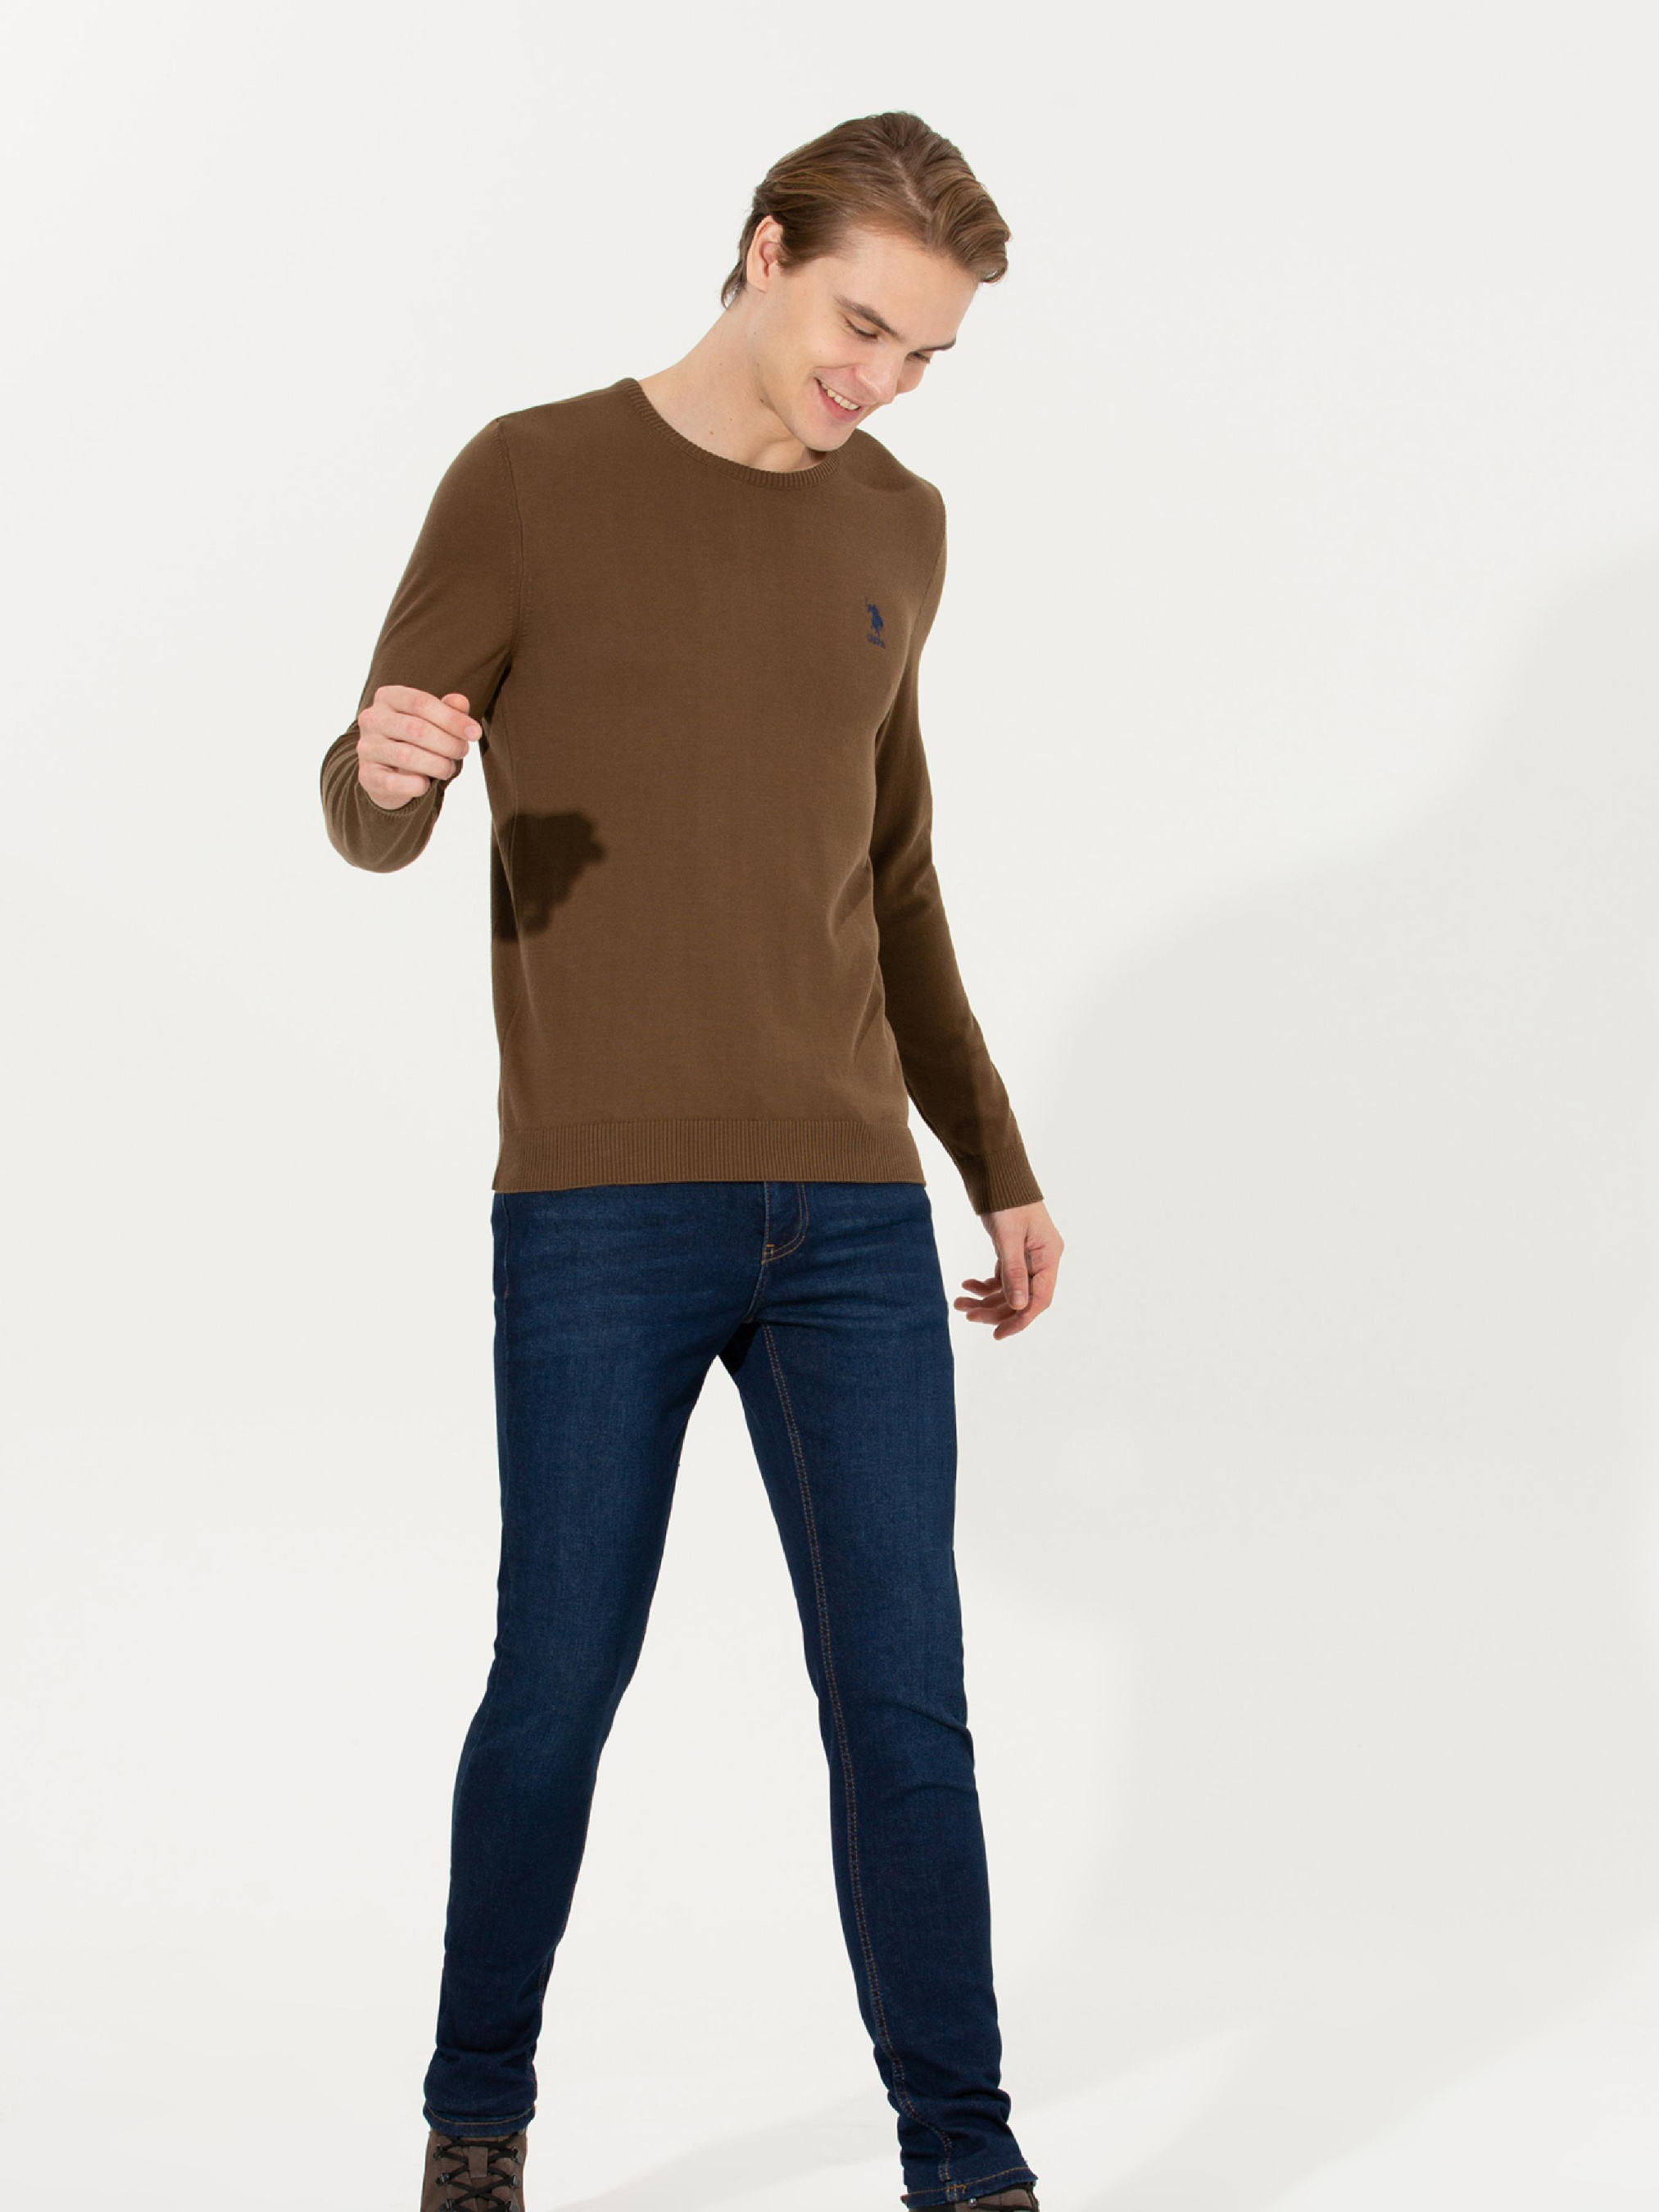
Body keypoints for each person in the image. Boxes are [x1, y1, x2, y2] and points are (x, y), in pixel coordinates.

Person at [319, 107, 1063, 2212]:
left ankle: (966, 2162)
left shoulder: (898, 525)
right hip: (598, 1206)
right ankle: (477, 2119)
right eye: (861, 327)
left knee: (903, 1706)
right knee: (556, 1682)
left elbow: (890, 880)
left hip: (850, 1207)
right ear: (760, 252)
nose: (881, 382)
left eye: (925, 356)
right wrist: (380, 771)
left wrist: (992, 1162)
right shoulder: (527, 478)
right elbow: (373, 806)